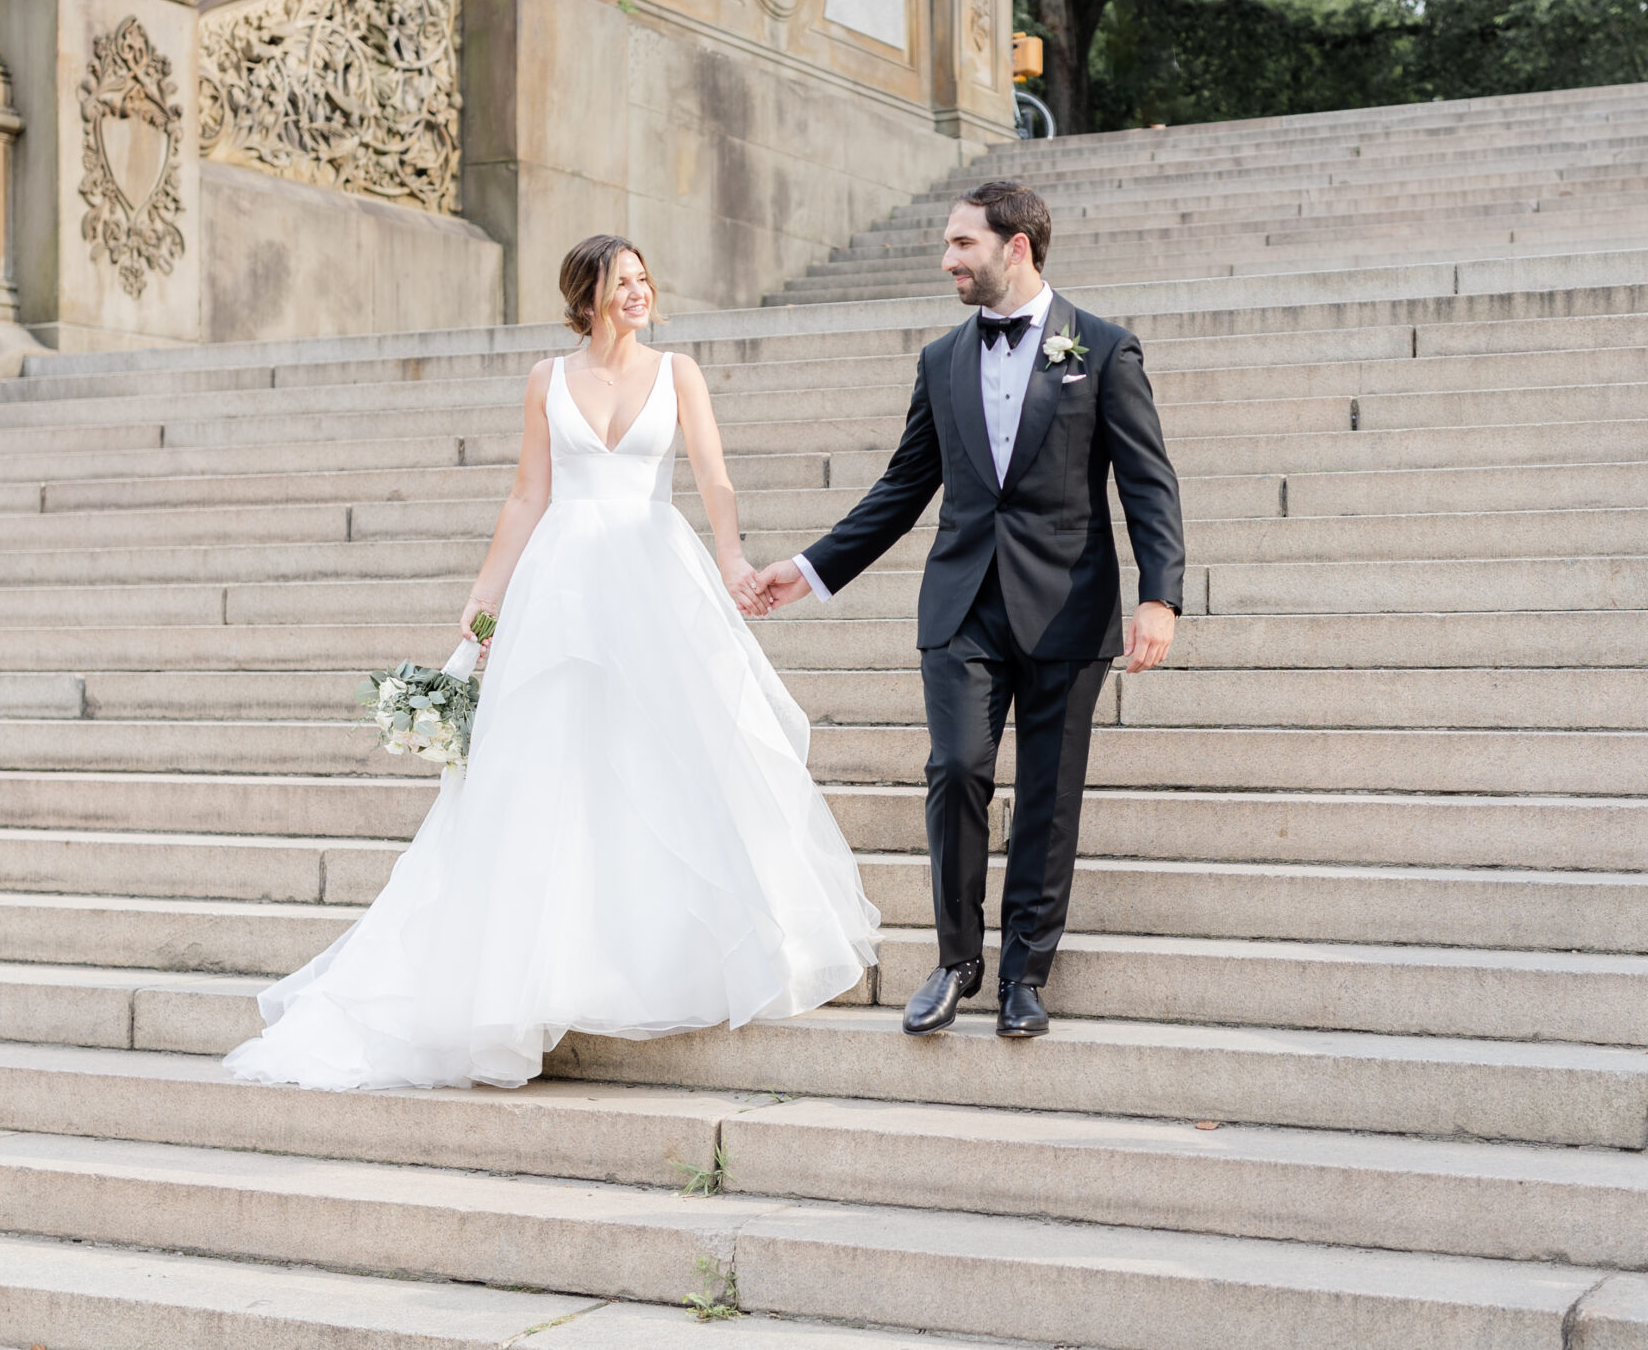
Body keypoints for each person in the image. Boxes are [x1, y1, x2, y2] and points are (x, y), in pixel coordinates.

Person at [225, 235, 880, 1091]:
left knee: (667, 756)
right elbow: (528, 492)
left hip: (654, 573)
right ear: (588, 295)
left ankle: (670, 951)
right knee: (552, 764)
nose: (639, 293)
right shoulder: (547, 379)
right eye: (622, 282)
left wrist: (730, 564)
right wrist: (484, 596)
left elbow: (714, 479)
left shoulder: (679, 372)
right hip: (562, 586)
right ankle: (536, 967)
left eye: (646, 278)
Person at [748, 180, 1185, 1040]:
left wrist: (1160, 594)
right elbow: (903, 486)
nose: (947, 259)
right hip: (962, 607)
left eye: (961, 244)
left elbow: (1147, 481)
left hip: (1068, 606)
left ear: (1015, 246)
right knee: (955, 768)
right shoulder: (942, 358)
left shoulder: (1100, 348)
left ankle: (1025, 971)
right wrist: (811, 568)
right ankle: (956, 959)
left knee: (1050, 795)